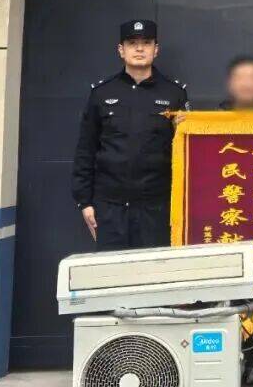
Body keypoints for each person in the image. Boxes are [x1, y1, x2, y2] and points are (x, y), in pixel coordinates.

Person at [71, 19, 189, 249]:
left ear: (156, 49)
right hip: (110, 208)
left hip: (157, 208)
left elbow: (186, 154)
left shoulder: (174, 94)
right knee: (112, 269)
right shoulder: (102, 93)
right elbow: (86, 150)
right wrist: (84, 202)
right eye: (132, 43)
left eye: (146, 43)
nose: (139, 49)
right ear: (121, 50)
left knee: (154, 269)